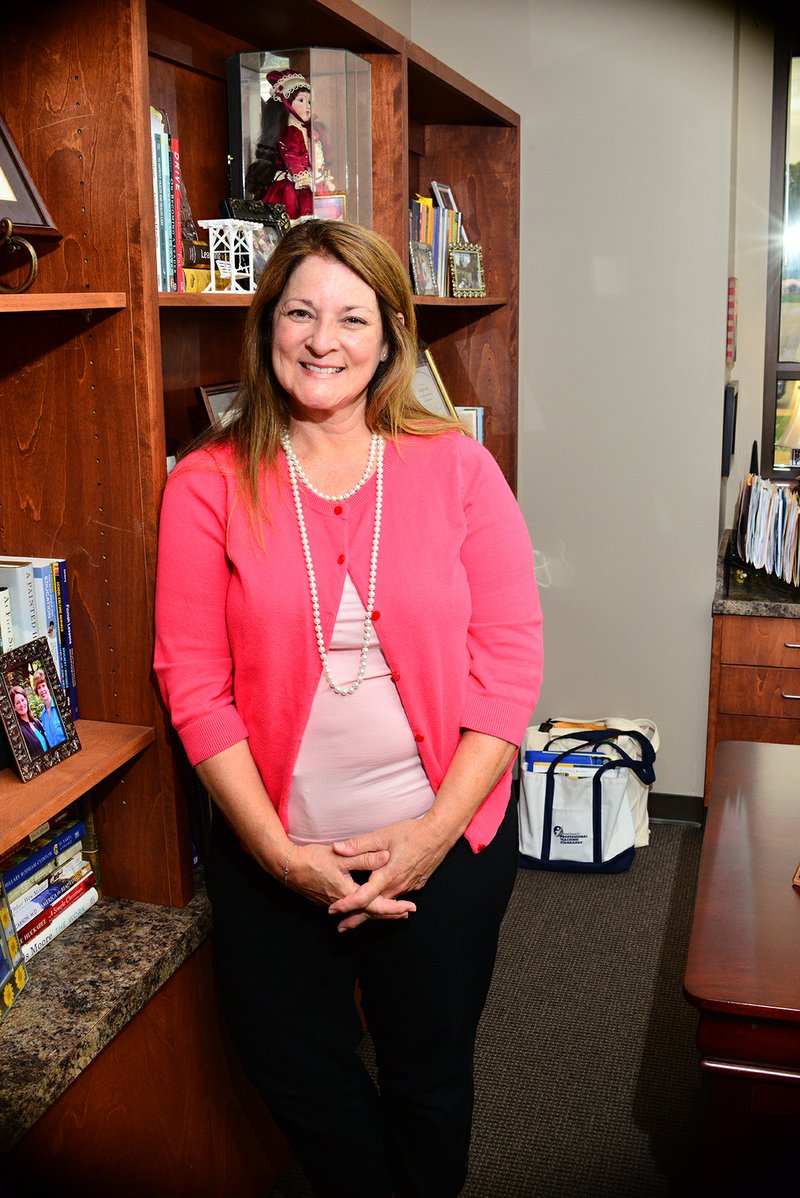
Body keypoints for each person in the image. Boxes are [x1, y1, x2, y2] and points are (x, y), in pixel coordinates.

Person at [154, 219, 542, 1198]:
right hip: (275, 850)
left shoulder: (456, 469)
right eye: (299, 311)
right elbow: (192, 682)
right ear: (267, 326)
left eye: (351, 316)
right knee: (298, 1070)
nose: (323, 339)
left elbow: (509, 662)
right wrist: (280, 857)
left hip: (444, 845)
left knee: (428, 1078)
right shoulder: (204, 485)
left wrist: (430, 836)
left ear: (389, 335)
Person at [245, 68, 336, 221]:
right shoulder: (290, 131)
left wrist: (321, 174)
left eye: (309, 101)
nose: (307, 106)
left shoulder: (308, 130)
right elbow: (292, 155)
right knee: (299, 219)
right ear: (287, 103)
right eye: (301, 100)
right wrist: (302, 177)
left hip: (314, 182)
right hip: (296, 187)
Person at [10, 684, 48, 759]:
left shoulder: (36, 722)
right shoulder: (18, 730)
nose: (22, 704)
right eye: (17, 703)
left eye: (23, 700)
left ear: (26, 700)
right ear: (14, 707)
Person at [31, 668, 66, 747]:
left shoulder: (60, 707)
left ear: (49, 687)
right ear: (37, 692)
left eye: (43, 685)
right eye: (39, 688)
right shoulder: (42, 716)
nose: (42, 690)